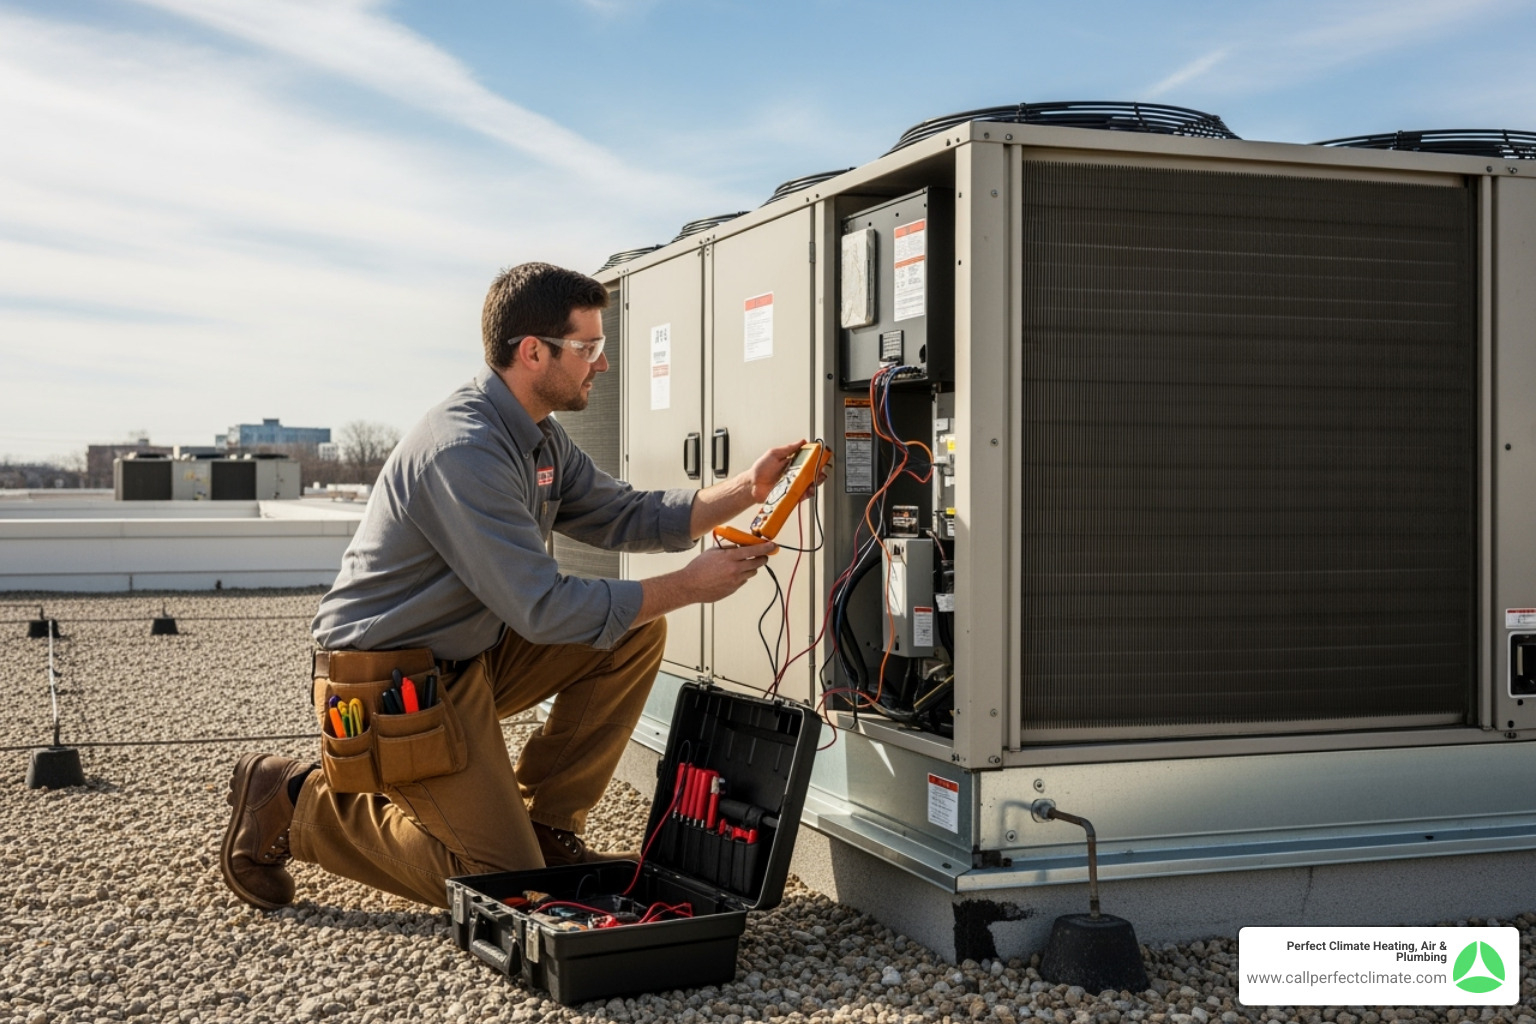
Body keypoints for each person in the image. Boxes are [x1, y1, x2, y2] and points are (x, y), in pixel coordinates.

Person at [219, 261, 813, 910]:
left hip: (467, 659)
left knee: (633, 635)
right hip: (390, 680)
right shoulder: (465, 450)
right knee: (509, 887)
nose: (602, 364)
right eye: (588, 348)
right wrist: (692, 584)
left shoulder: (539, 439)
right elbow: (544, 608)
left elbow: (624, 513)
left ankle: (545, 825)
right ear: (532, 352)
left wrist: (744, 491)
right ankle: (293, 801)